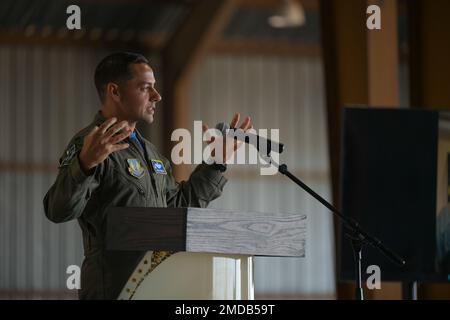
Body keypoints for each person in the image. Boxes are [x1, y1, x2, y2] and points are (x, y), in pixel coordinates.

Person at [43, 52, 252, 299]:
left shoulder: (149, 152)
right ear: (115, 91)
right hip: (113, 289)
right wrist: (85, 164)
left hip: (155, 287)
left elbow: (178, 209)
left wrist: (215, 162)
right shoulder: (89, 144)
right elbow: (58, 210)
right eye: (146, 88)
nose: (157, 96)